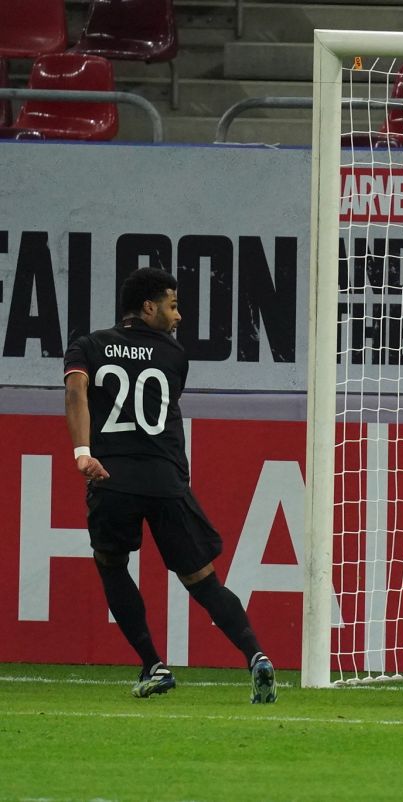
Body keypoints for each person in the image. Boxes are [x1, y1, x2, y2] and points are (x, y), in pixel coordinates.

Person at [64, 267, 277, 703]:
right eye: (173, 305)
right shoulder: (174, 356)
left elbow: (77, 392)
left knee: (111, 564)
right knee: (203, 581)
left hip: (112, 478)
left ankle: (153, 665)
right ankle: (255, 656)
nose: (178, 317)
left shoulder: (87, 346)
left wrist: (82, 452)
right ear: (148, 307)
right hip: (166, 480)